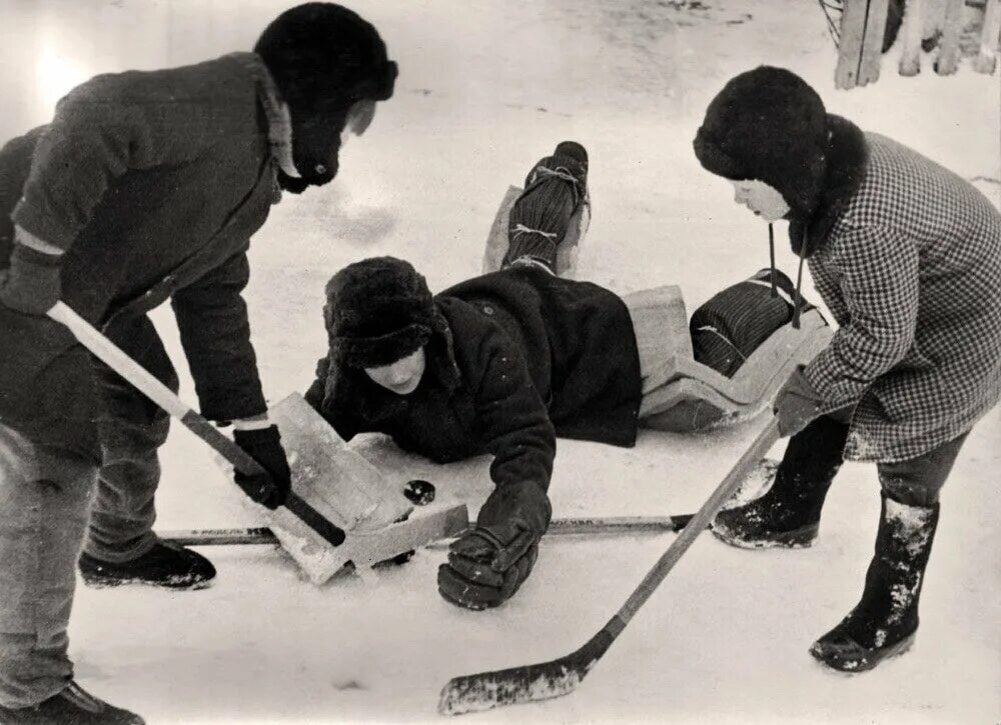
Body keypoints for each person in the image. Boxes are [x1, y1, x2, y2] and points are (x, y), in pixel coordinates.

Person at [0, 4, 396, 721]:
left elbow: (212, 297)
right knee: (53, 463)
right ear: (315, 97)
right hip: (18, 283)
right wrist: (36, 254)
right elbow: (92, 113)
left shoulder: (251, 172)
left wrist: (251, 429)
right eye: (348, 116)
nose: (344, 137)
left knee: (138, 399)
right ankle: (24, 689)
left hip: (81, 294)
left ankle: (115, 544)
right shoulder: (217, 102)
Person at [305, 142, 809, 612]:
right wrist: (265, 459)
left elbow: (526, 443)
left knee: (692, 393)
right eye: (377, 362)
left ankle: (769, 293)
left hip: (565, 339)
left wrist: (507, 532)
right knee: (526, 266)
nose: (394, 374)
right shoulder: (348, 376)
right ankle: (555, 185)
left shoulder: (482, 353)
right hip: (499, 294)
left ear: (430, 333)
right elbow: (303, 438)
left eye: (406, 352)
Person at [692, 66, 1001, 672]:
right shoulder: (831, 165)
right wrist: (822, 381)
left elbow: (883, 335)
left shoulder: (863, 223)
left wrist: (816, 384)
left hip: (972, 335)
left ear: (785, 174)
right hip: (924, 308)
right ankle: (791, 511)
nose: (738, 197)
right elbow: (877, 331)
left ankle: (890, 615)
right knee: (832, 372)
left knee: (913, 464)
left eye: (746, 183)